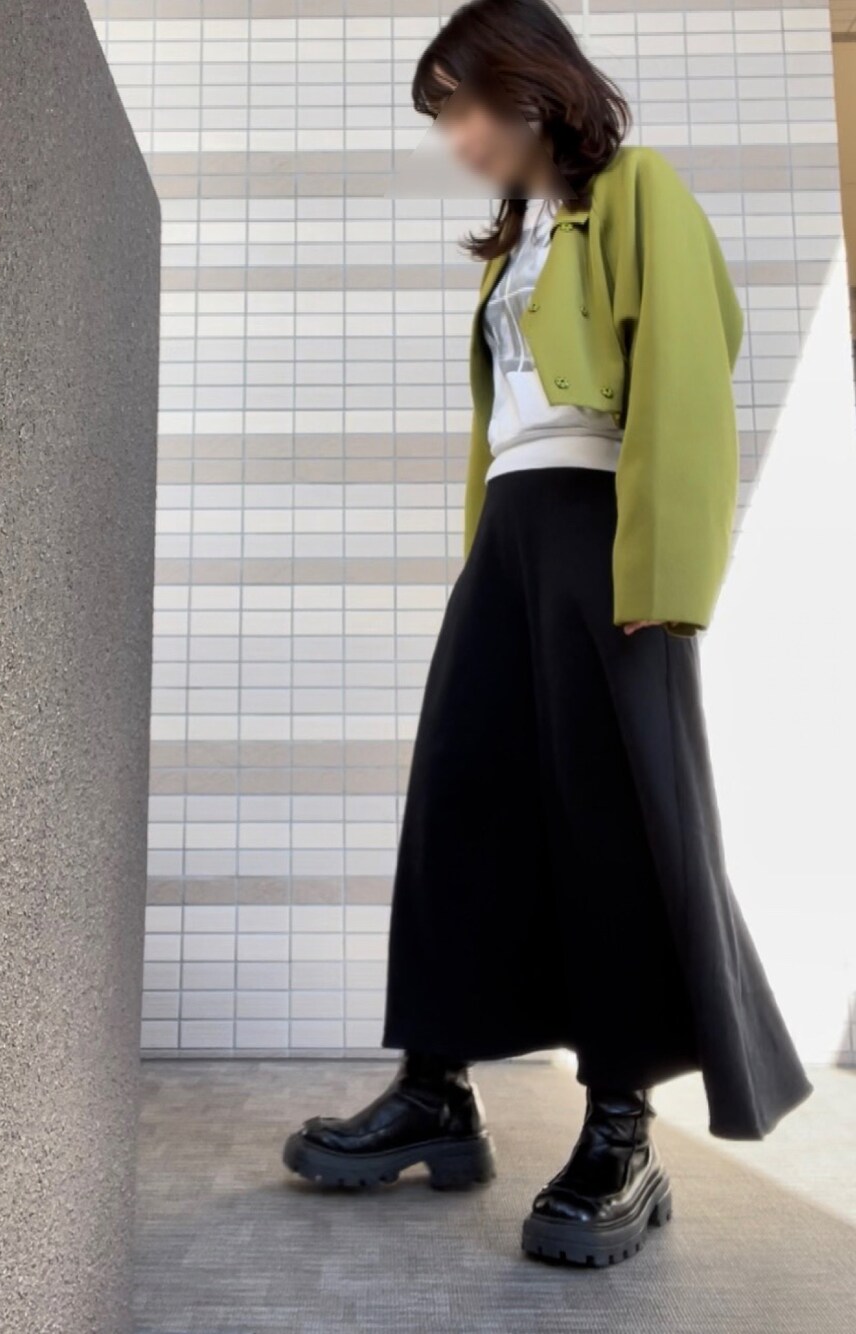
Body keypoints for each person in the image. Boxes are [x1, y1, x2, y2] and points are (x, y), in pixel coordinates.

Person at [281, 0, 812, 1267]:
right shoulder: (514, 237)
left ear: (531, 86)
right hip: (512, 540)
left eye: (462, 106)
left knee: (610, 818)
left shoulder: (636, 192)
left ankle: (620, 1132)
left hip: (603, 531)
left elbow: (686, 373)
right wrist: (485, 559)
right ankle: (436, 1089)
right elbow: (503, 425)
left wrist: (665, 572)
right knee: (459, 798)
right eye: (442, 118)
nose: (455, 137)